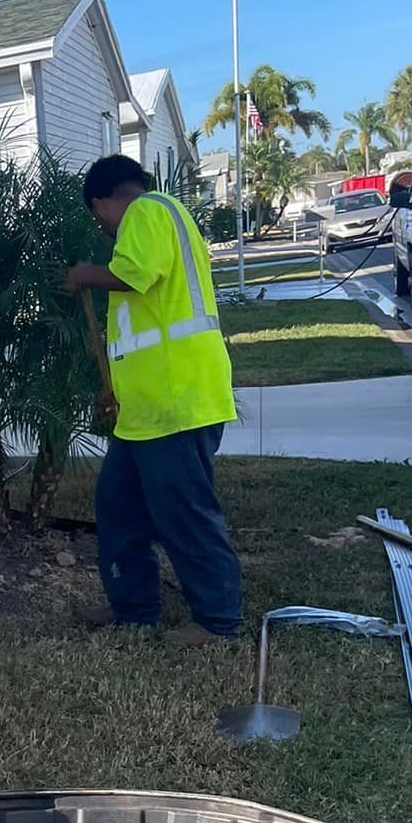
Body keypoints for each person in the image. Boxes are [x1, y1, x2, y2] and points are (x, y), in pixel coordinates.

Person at [63, 156, 241, 648]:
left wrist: (85, 274)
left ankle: (219, 621)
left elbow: (133, 275)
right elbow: (146, 322)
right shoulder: (166, 215)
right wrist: (114, 390)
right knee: (118, 506)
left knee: (184, 513)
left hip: (176, 402)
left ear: (102, 202)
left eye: (97, 216)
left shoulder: (146, 212)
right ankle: (134, 610)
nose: (101, 227)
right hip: (145, 409)